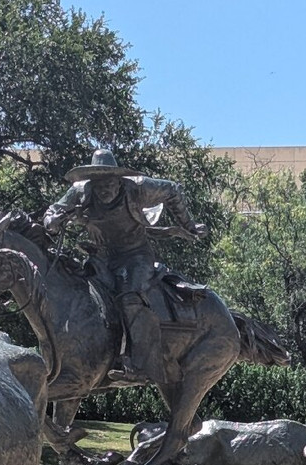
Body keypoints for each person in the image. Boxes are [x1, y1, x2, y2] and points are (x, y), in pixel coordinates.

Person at [43, 148, 207, 385]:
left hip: (135, 257)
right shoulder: (80, 191)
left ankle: (139, 364)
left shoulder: (139, 188)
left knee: (130, 299)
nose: (104, 189)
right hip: (100, 257)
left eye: (109, 183)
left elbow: (173, 190)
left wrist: (189, 225)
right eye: (99, 184)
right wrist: (52, 222)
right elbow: (52, 213)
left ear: (119, 180)